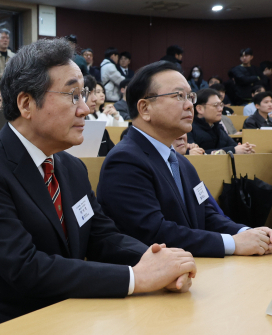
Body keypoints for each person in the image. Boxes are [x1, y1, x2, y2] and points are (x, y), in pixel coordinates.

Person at [0, 38, 197, 335]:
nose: (84, 109)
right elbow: (26, 268)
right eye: (72, 95)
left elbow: (102, 236)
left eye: (83, 95)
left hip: (68, 316)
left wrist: (158, 259)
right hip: (5, 328)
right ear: (26, 103)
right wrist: (135, 277)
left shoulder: (71, 167)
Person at [97, 61, 272, 259]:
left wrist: (247, 233)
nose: (190, 104)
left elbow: (207, 215)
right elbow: (154, 232)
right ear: (145, 108)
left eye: (190, 96)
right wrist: (233, 243)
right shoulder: (125, 161)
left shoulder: (181, 161)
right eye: (179, 96)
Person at [188, 88, 254, 154]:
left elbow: (234, 145)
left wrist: (244, 148)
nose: (220, 109)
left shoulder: (218, 126)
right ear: (200, 109)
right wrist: (233, 150)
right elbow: (196, 153)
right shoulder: (188, 128)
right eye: (216, 105)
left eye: (221, 105)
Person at [83, 75, 115, 156]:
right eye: (90, 93)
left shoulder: (102, 132)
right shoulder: (66, 132)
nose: (95, 98)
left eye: (95, 93)